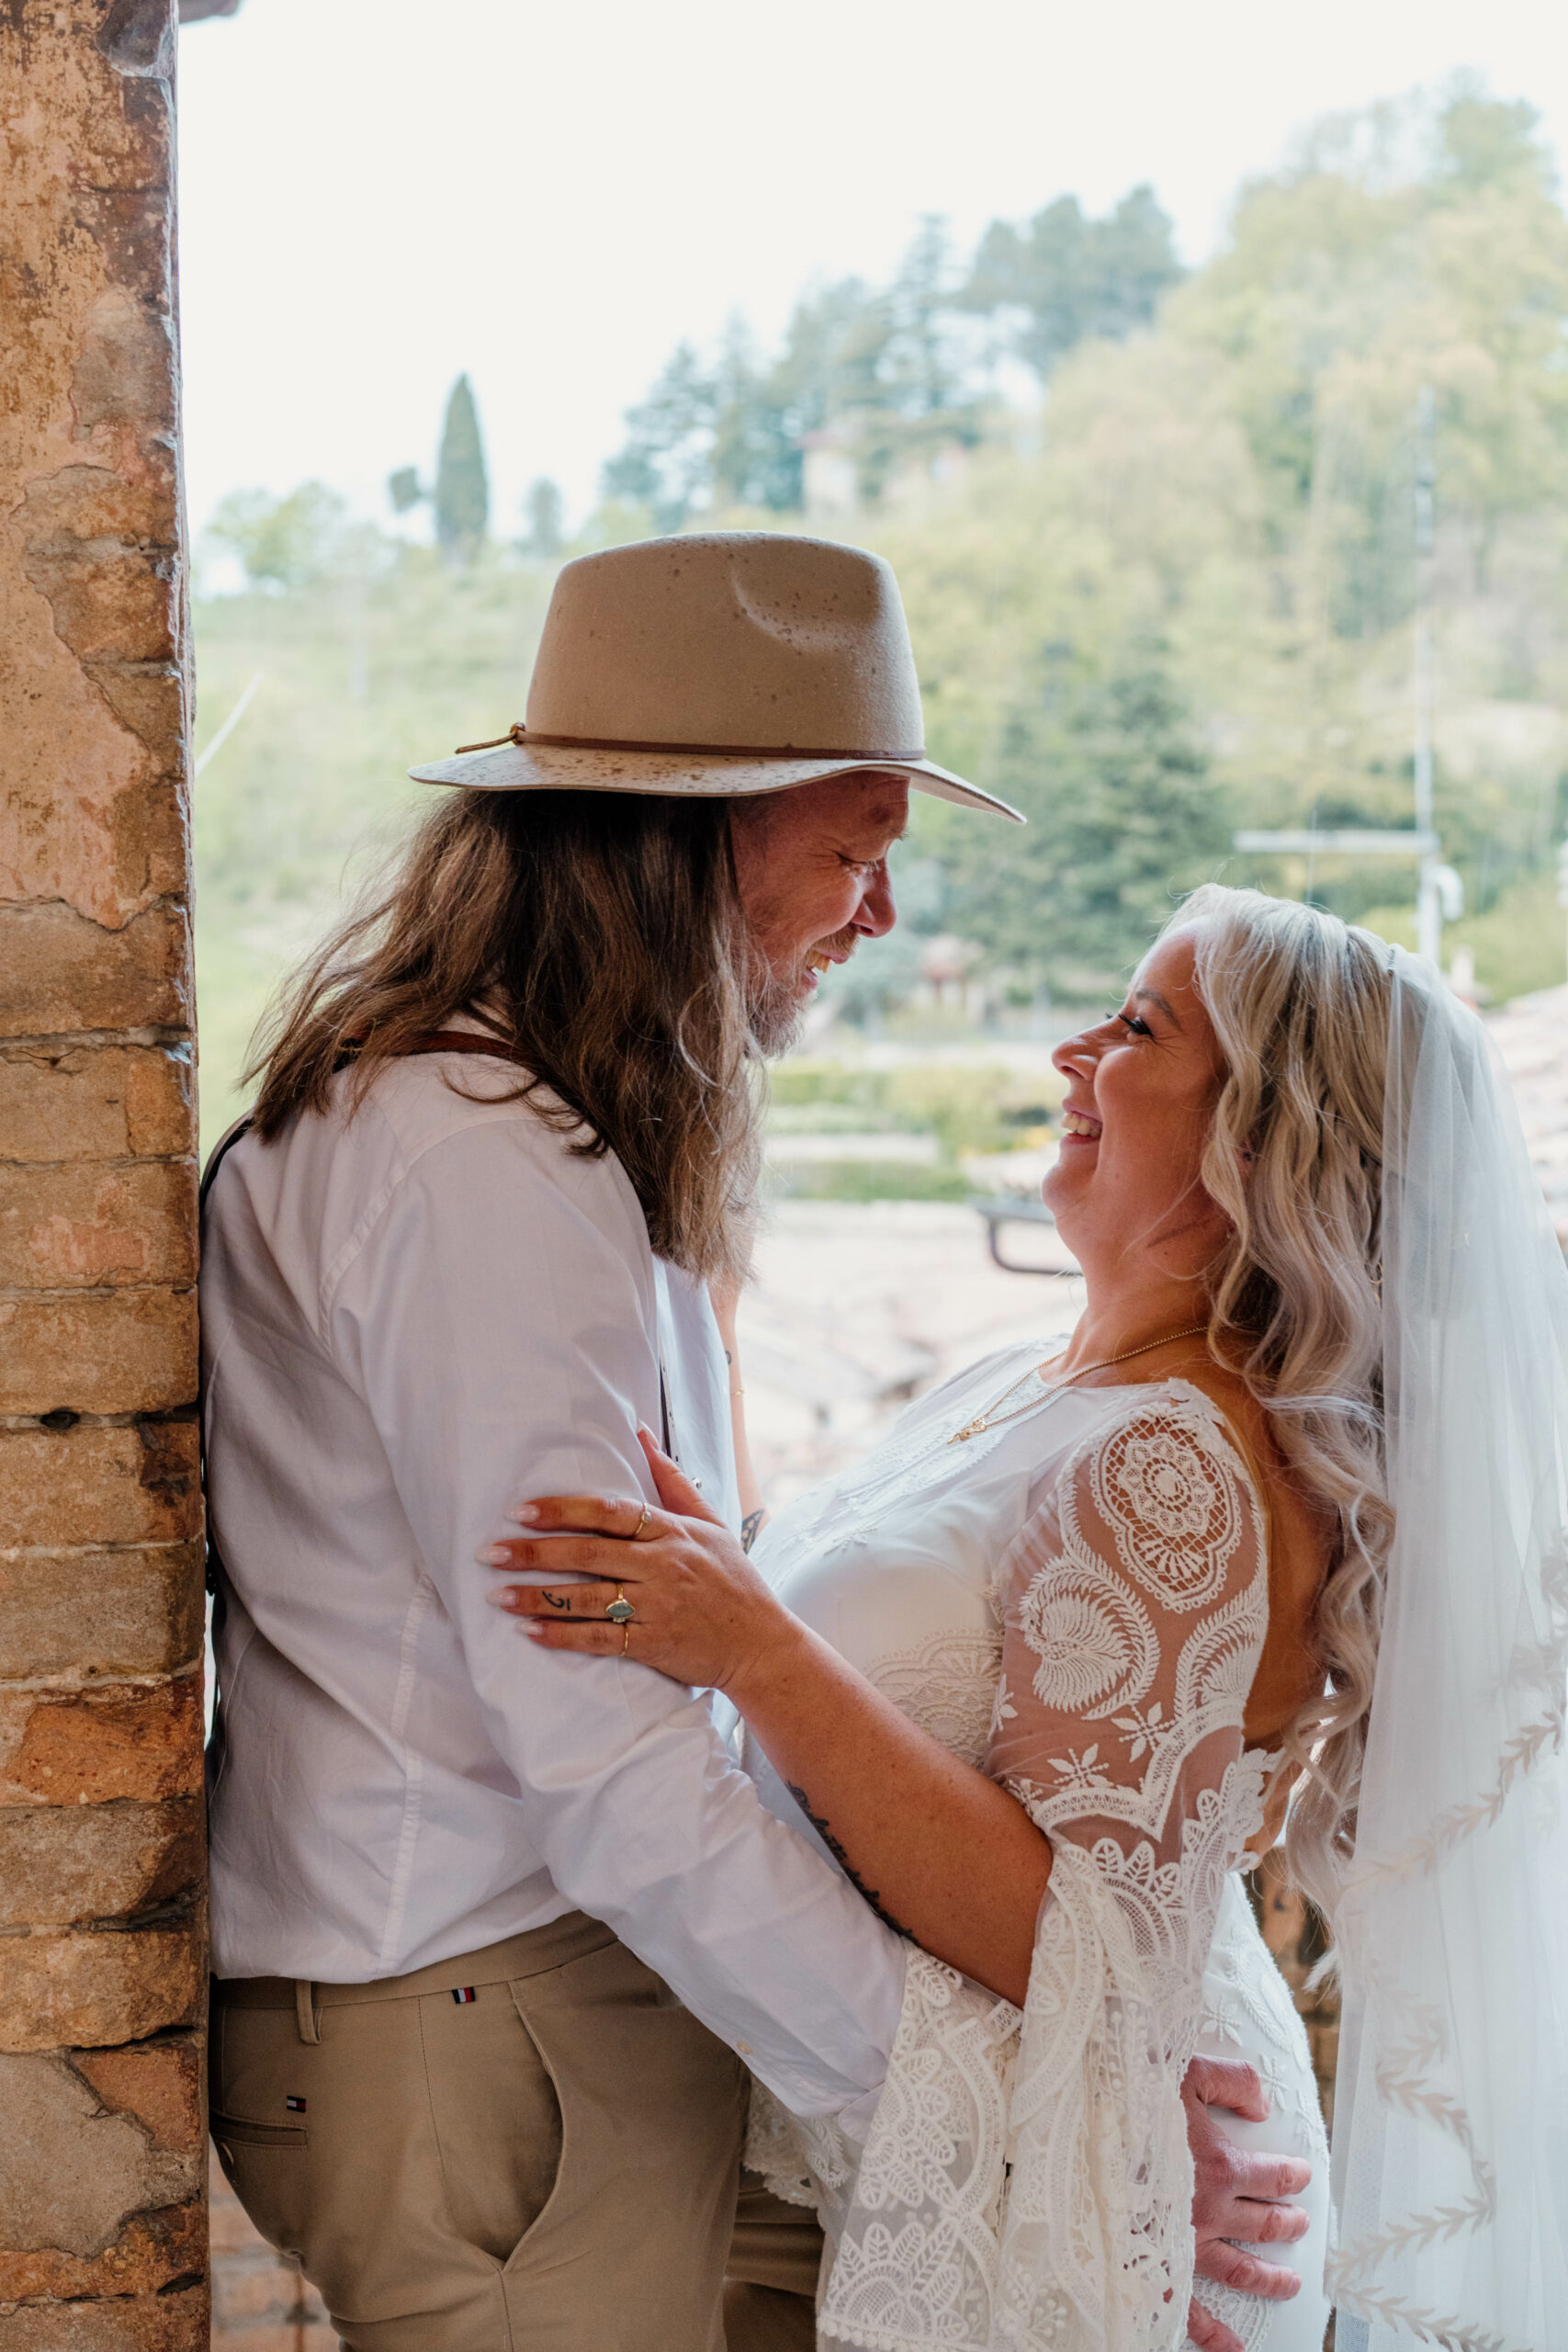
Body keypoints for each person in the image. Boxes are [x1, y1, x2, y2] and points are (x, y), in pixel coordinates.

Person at [201, 536, 1310, 2352]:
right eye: (853, 846)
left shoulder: (519, 1136)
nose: (876, 912)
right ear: (692, 838)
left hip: (523, 2013)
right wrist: (1019, 2129)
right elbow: (613, 1748)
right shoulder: (485, 1165)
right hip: (488, 2026)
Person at [487, 881, 1568, 2349]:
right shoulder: (1027, 1382)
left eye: (1136, 1027)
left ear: (1253, 1135)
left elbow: (1085, 1937)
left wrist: (749, 1644)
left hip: (1102, 2176)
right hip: (907, 2122)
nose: (1073, 1052)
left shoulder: (1175, 1465)